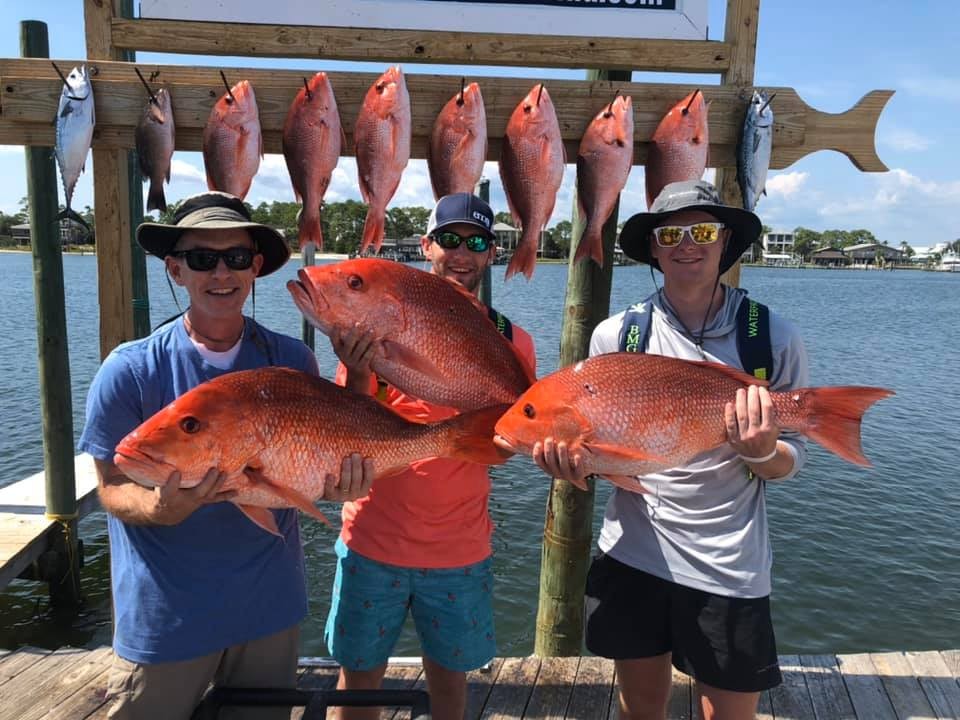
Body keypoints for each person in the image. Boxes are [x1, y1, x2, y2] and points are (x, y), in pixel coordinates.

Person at [78, 191, 374, 720]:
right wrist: (157, 509)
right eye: (201, 258)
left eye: (236, 257)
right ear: (175, 269)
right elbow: (108, 484)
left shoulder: (290, 359)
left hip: (268, 611)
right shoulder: (129, 370)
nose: (221, 272)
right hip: (167, 618)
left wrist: (334, 483)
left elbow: (320, 456)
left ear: (255, 267)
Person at [534, 180, 809, 720]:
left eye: (703, 230)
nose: (688, 243)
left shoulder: (771, 337)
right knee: (640, 710)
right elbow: (608, 455)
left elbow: (789, 462)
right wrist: (574, 466)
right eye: (671, 233)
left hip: (730, 565)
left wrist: (761, 451)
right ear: (654, 248)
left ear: (725, 241)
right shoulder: (617, 337)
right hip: (633, 556)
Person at [323, 193, 537, 720]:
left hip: (460, 550)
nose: (461, 253)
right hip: (371, 540)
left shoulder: (513, 341)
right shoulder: (377, 324)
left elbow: (506, 448)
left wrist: (521, 441)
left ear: (491, 253)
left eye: (477, 242)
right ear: (426, 246)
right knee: (358, 681)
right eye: (449, 239)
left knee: (450, 679)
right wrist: (357, 369)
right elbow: (347, 431)